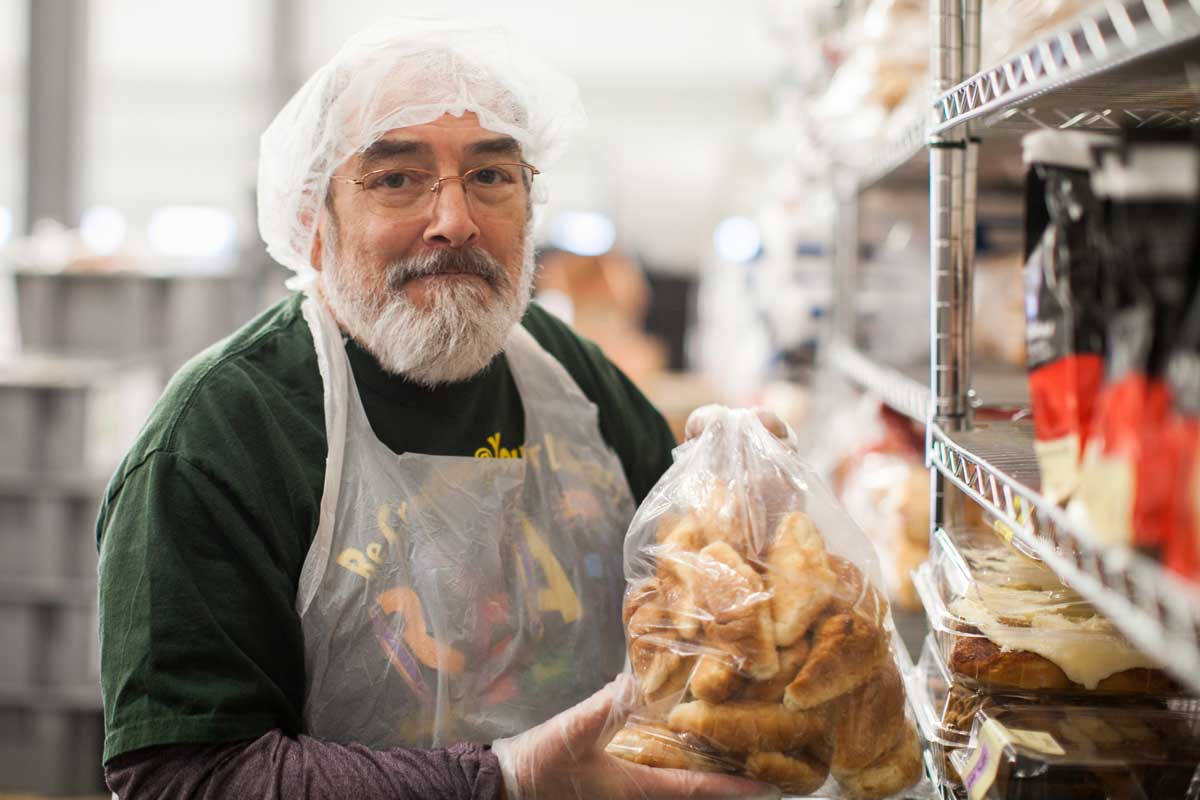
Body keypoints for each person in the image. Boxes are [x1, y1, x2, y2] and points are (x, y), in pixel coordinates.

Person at [97, 19, 782, 800]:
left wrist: (745, 517)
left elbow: (691, 603)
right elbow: (186, 777)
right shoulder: (223, 434)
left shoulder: (568, 376)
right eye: (396, 178)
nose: (455, 220)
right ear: (310, 223)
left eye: (491, 176)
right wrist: (507, 781)